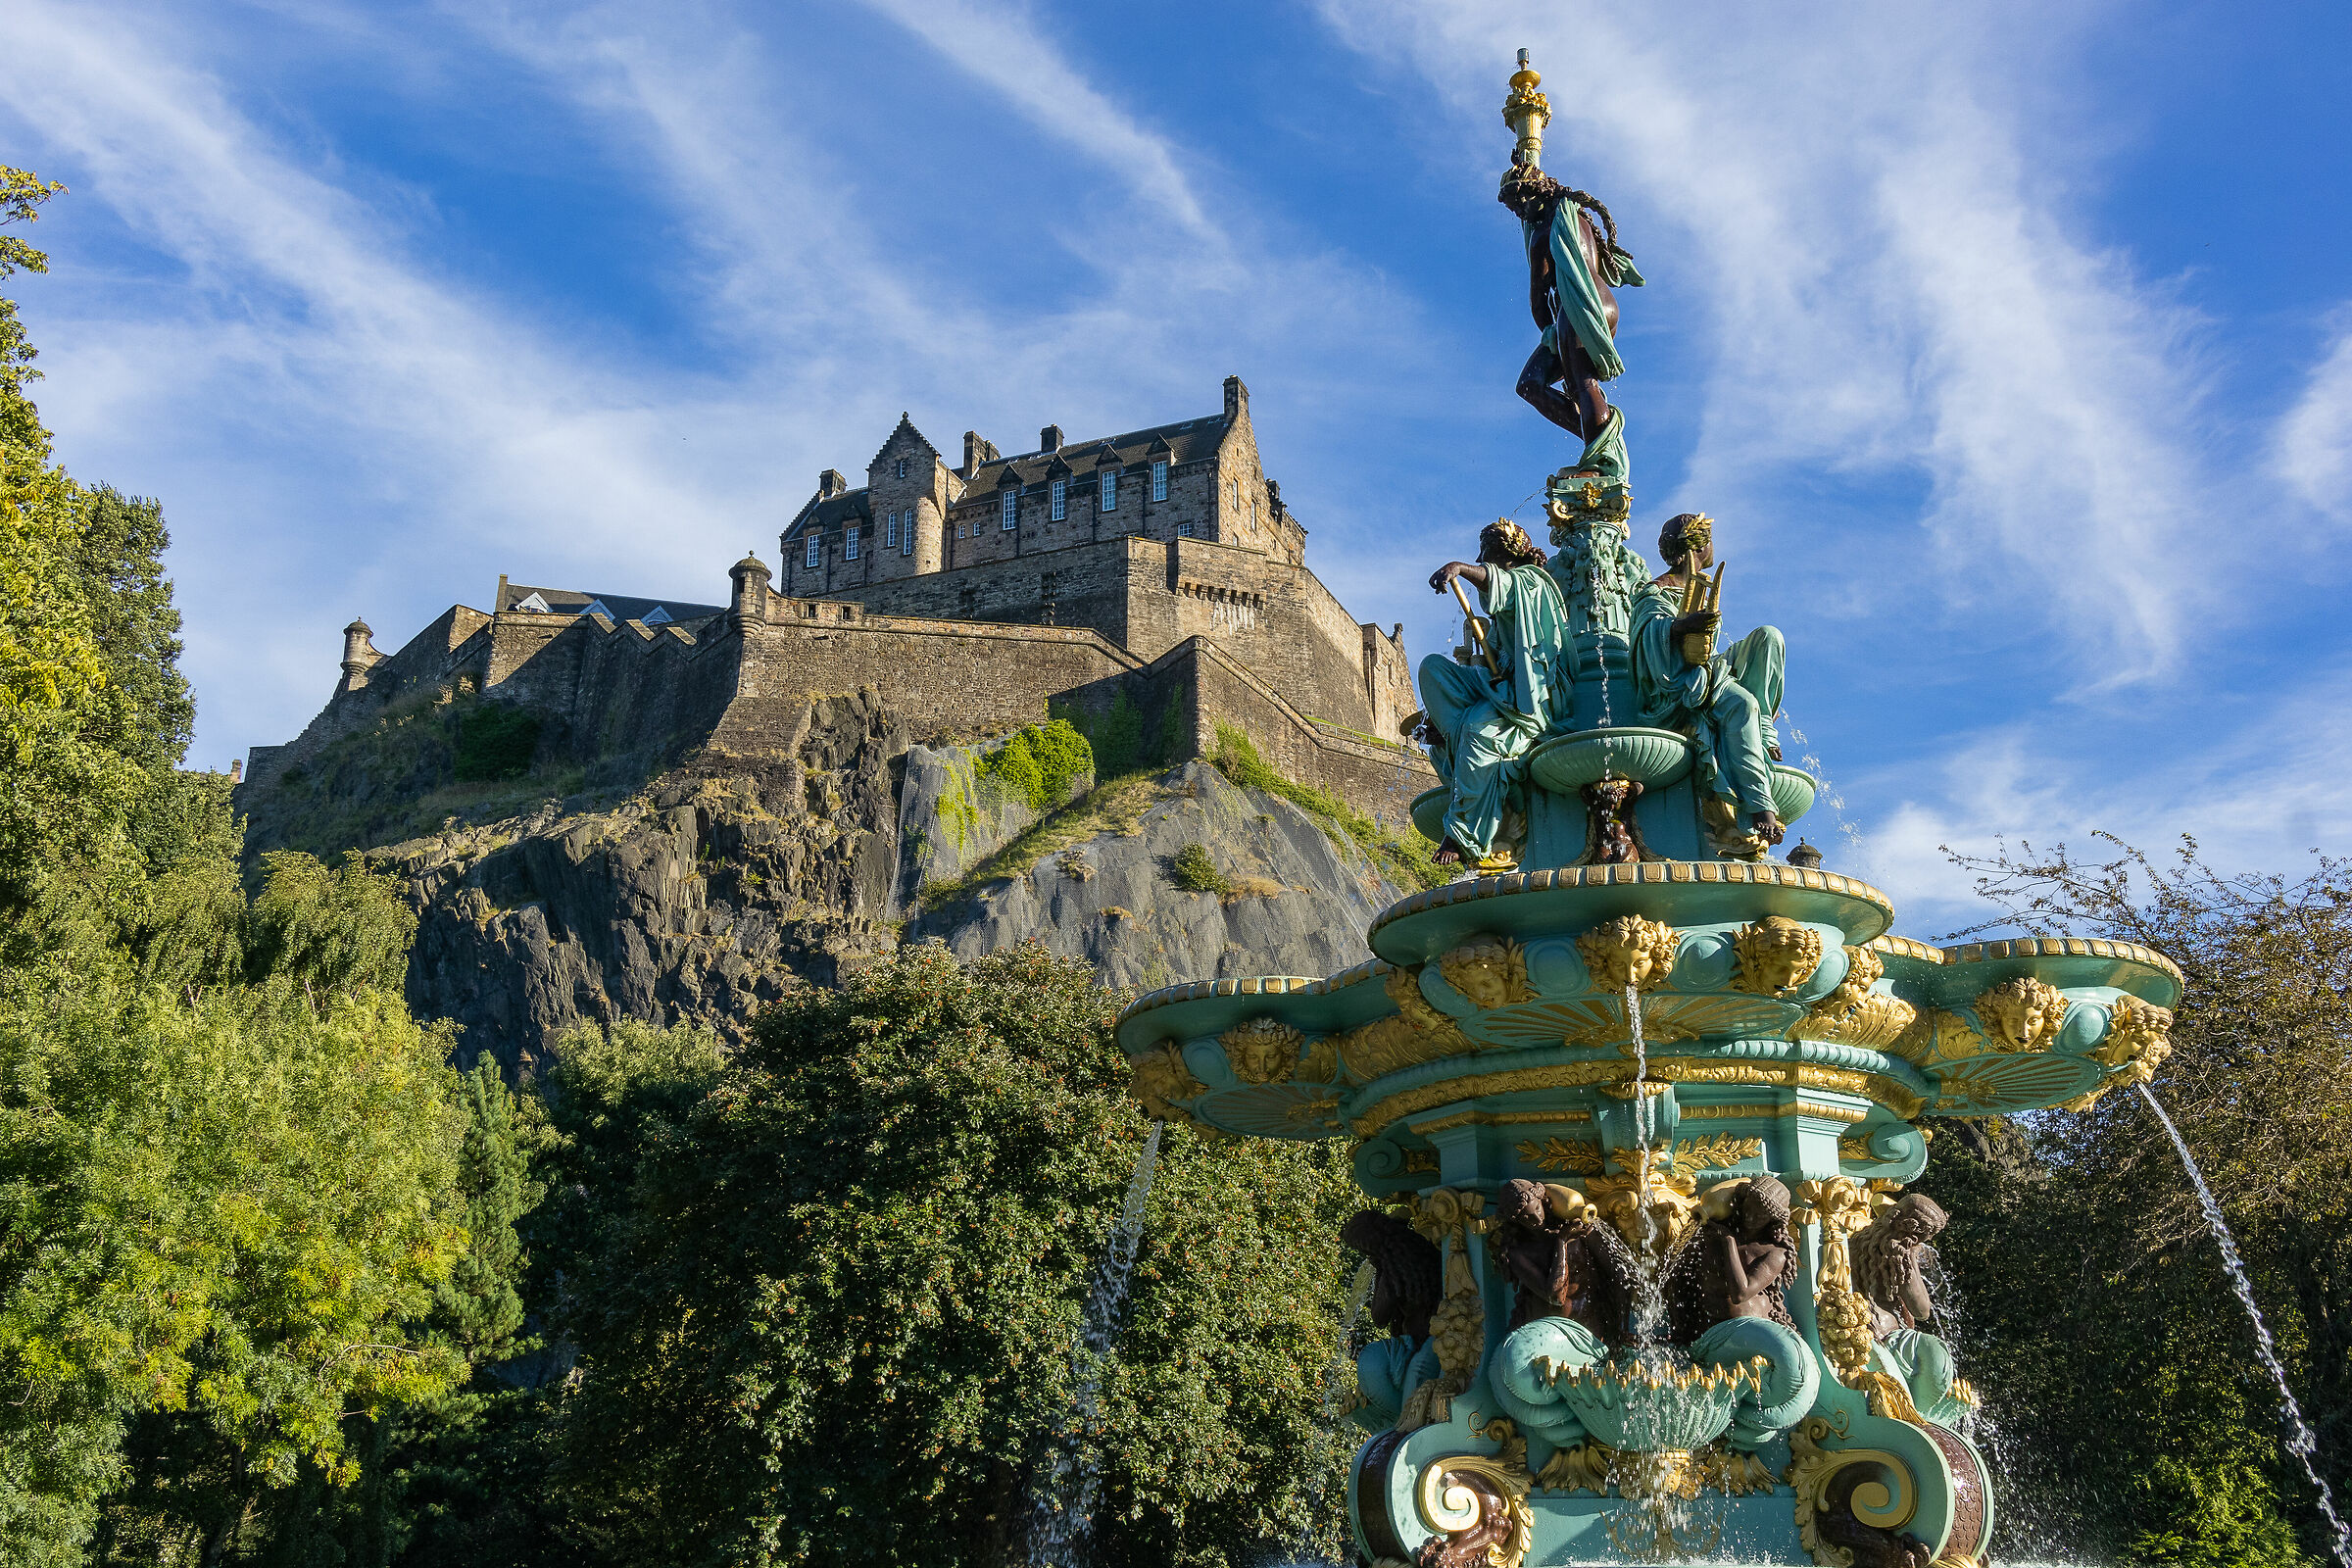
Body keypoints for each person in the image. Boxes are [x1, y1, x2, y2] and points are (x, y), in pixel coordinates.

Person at [1630, 512, 1788, 855]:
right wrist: (1681, 627)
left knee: (1768, 637)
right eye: (1710, 540)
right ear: (1697, 547)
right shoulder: (1656, 590)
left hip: (1708, 669)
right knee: (1741, 704)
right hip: (1678, 685)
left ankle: (1763, 727)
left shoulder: (1701, 585)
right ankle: (1760, 805)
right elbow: (1647, 638)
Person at [1417, 520, 1571, 866]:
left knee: (1478, 732)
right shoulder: (1510, 597)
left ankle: (1464, 834)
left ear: (1504, 555)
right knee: (1433, 669)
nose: (1478, 559)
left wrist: (1460, 568)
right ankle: (1451, 732)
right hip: (1499, 683)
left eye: (1484, 553)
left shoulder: (1533, 582)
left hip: (1529, 697)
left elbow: (1505, 584)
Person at [1499, 163, 1643, 484]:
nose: (1519, 213)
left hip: (1577, 308)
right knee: (1559, 384)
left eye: (1519, 205)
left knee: (1570, 384)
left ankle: (1600, 456)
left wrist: (1549, 333)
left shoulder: (1543, 231)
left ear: (1535, 195)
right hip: (1603, 304)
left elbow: (1538, 300)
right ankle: (1596, 440)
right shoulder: (1576, 216)